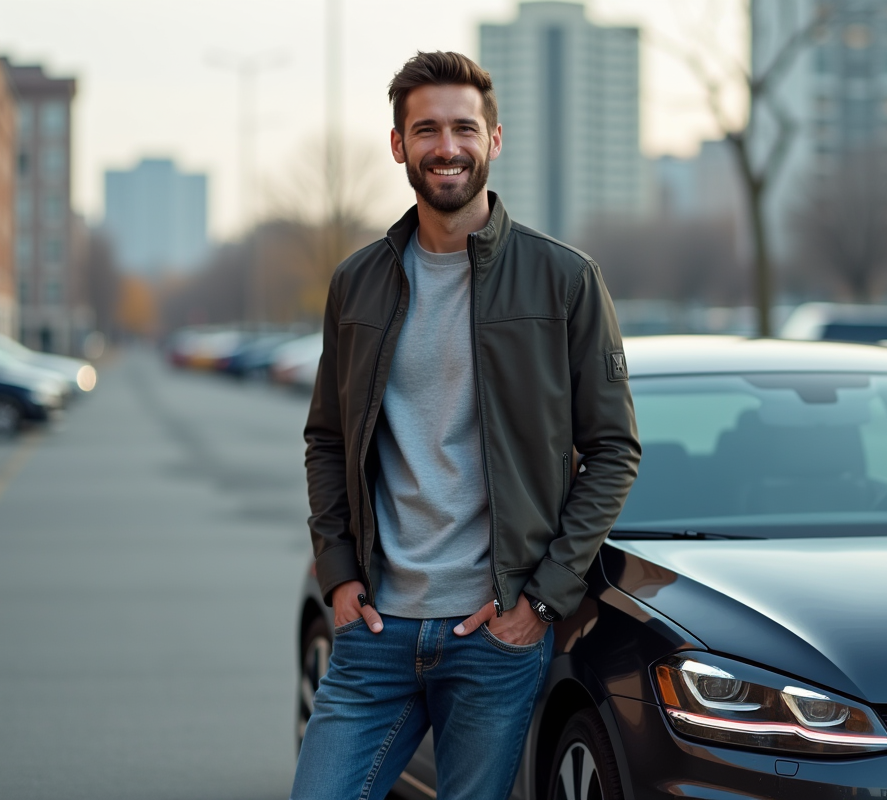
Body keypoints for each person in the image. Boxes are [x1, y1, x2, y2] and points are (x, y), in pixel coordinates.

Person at [293, 50, 640, 800]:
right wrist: (339, 573)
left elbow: (612, 450)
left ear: (494, 138)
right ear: (399, 146)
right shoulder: (358, 282)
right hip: (376, 629)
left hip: (493, 634)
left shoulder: (564, 281)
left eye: (462, 128)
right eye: (425, 130)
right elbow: (327, 437)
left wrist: (542, 599)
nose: (445, 147)